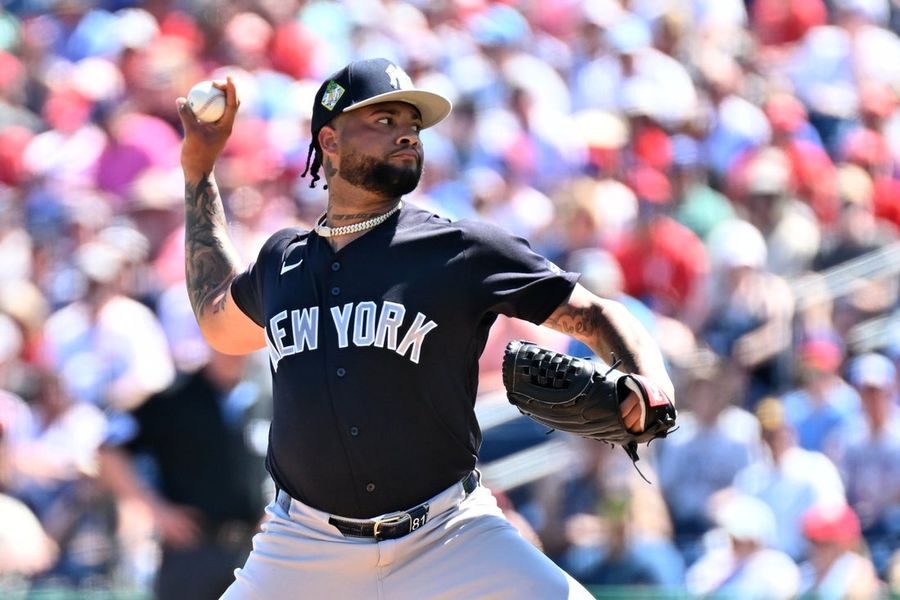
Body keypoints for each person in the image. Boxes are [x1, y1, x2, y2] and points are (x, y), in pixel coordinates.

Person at [175, 57, 674, 599]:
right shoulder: (282, 262)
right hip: (302, 545)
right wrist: (199, 173)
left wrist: (649, 379)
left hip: (448, 534)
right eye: (384, 121)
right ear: (330, 141)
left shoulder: (460, 250)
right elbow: (218, 320)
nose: (407, 135)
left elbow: (597, 314)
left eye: (412, 125)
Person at [98, 349, 271, 600]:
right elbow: (109, 450)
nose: (234, 351)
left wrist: (276, 510)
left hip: (254, 548)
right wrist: (156, 509)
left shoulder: (270, 394)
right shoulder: (176, 396)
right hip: (193, 550)